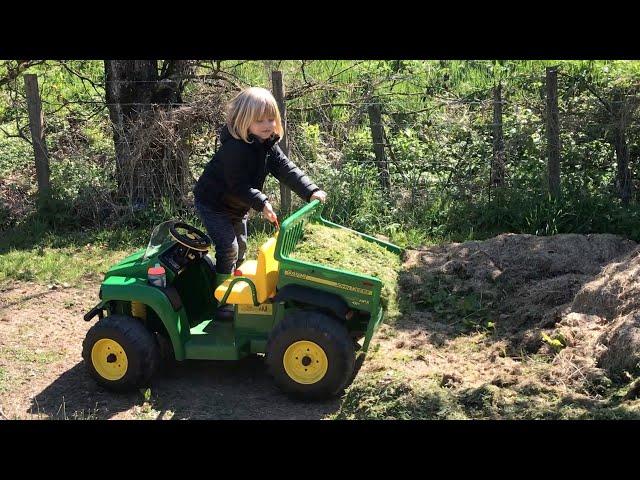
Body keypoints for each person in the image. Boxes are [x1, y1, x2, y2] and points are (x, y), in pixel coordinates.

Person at [193, 86, 327, 283]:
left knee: (242, 246)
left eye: (271, 119)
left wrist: (310, 191)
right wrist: (262, 202)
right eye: (259, 120)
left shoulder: (267, 145)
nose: (267, 125)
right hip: (213, 205)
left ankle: (237, 282)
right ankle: (222, 297)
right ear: (243, 120)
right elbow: (237, 185)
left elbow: (286, 169)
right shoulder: (235, 149)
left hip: (238, 206)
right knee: (229, 248)